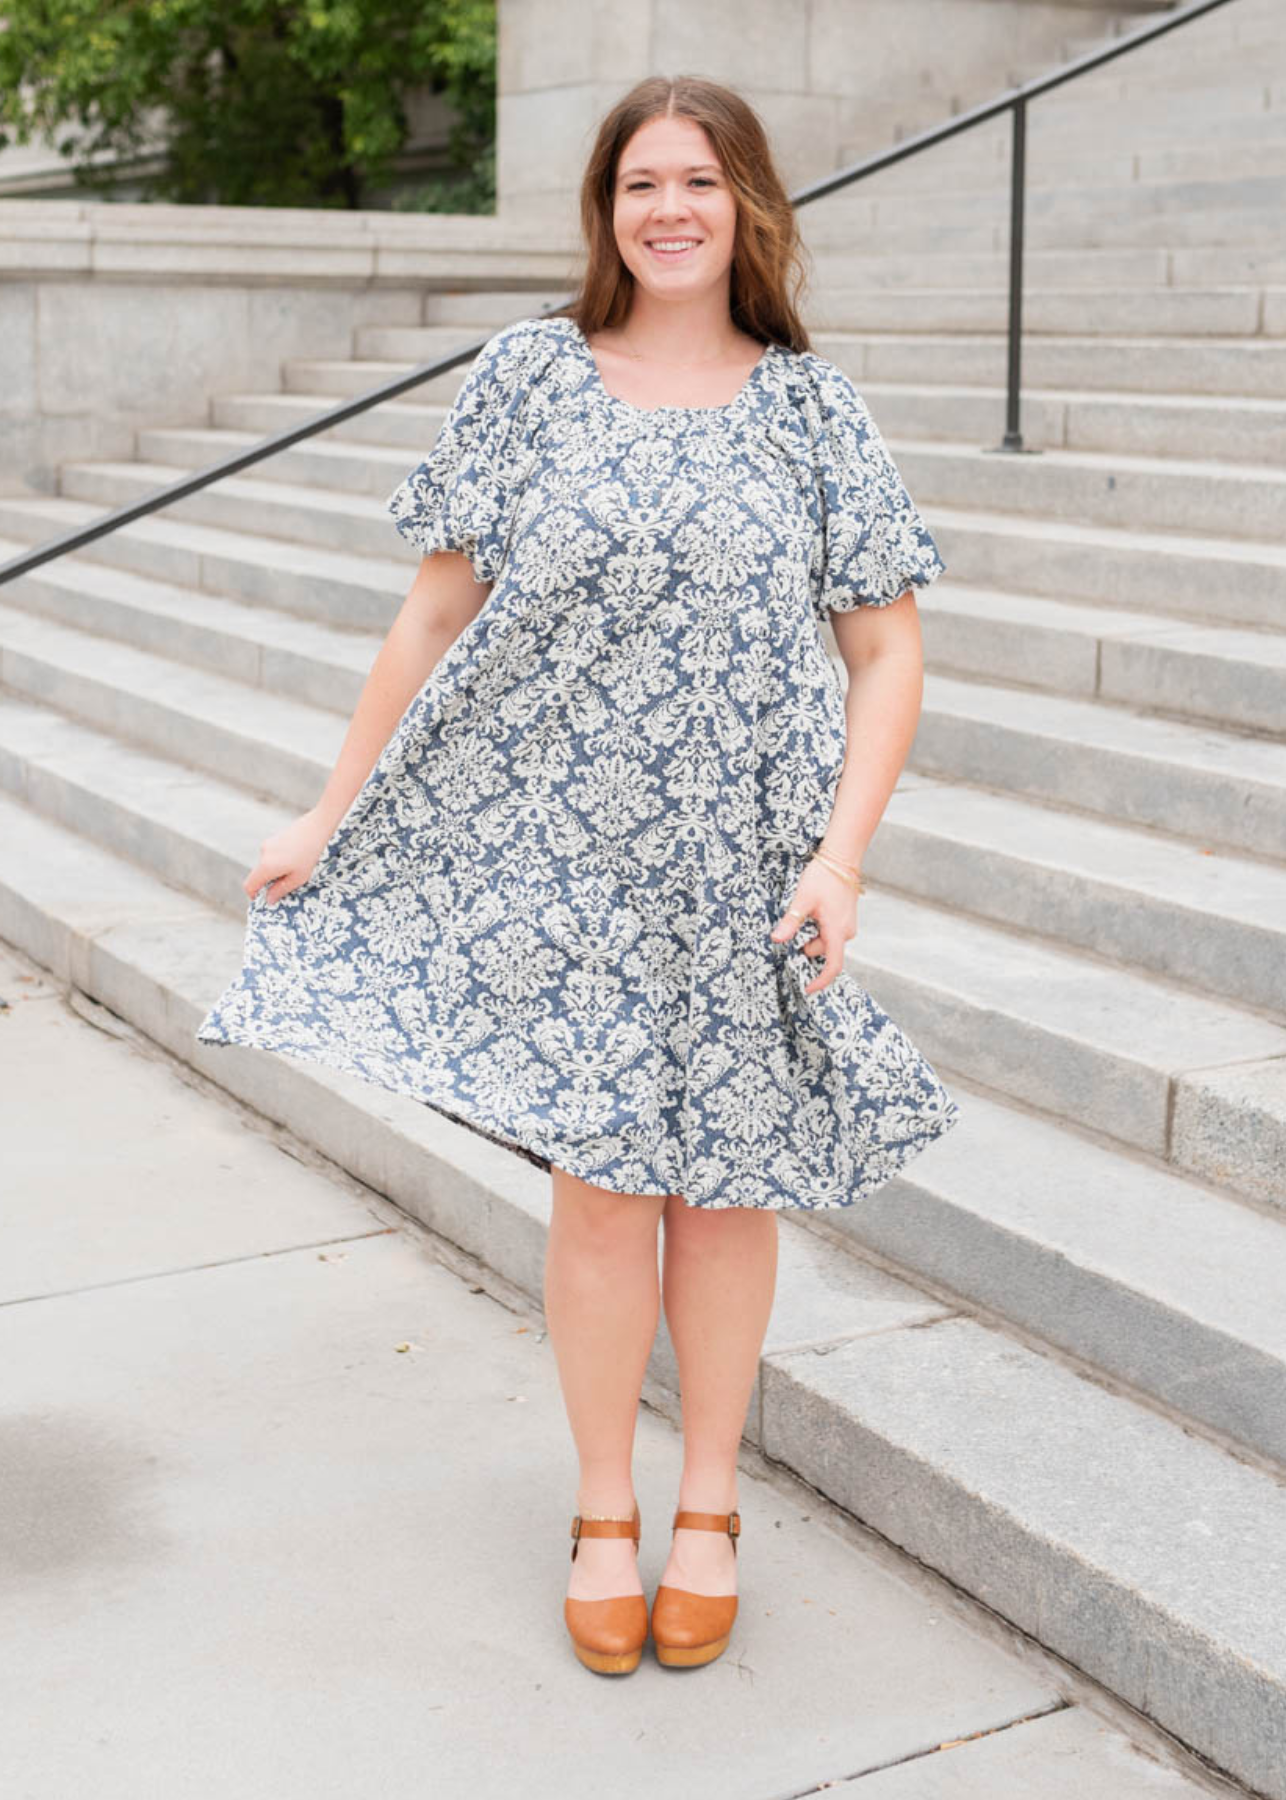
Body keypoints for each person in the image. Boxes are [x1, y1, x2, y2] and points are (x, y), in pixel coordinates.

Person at [195, 74, 961, 1678]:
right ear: (605, 213)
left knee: (725, 1185)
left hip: (747, 863)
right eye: (637, 185)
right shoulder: (528, 378)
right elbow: (430, 613)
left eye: (696, 180)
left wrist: (843, 856)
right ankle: (605, 1503)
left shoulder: (811, 411)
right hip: (559, 858)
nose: (667, 209)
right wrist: (331, 814)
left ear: (747, 203)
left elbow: (885, 652)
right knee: (604, 1192)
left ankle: (708, 1499)